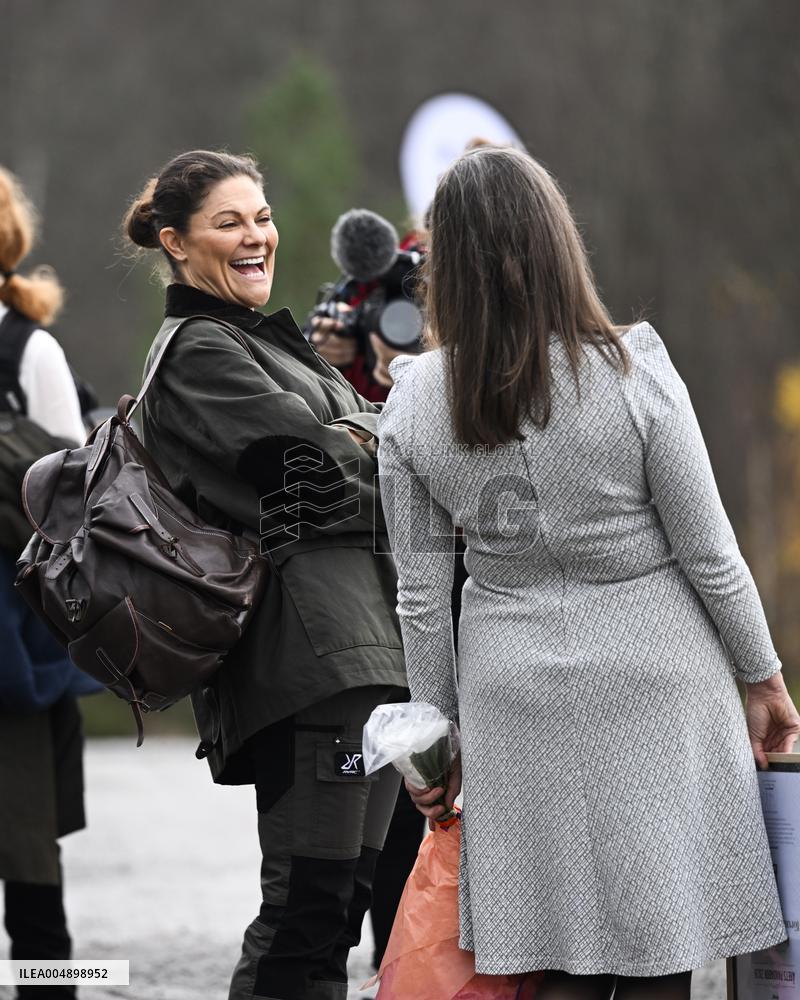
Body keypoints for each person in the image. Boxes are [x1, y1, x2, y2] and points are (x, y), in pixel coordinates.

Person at [377, 145, 800, 1000]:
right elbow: (708, 550)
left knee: (556, 954)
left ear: (445, 267)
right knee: (659, 947)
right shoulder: (630, 367)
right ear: (555, 241)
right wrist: (765, 677)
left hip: (513, 694)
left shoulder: (415, 399)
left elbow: (420, 594)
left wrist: (437, 744)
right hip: (658, 677)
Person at [123, 150, 408, 1000]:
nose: (256, 237)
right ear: (175, 243)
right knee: (304, 914)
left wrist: (374, 430)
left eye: (262, 216)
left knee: (343, 906)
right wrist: (375, 431)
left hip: (365, 653)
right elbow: (320, 475)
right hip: (307, 661)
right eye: (228, 222)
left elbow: (377, 442)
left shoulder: (267, 345)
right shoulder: (197, 353)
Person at [0, 165, 99, 999]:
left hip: (12, 653)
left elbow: (73, 507)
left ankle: (49, 989)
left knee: (27, 855)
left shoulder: (30, 350)